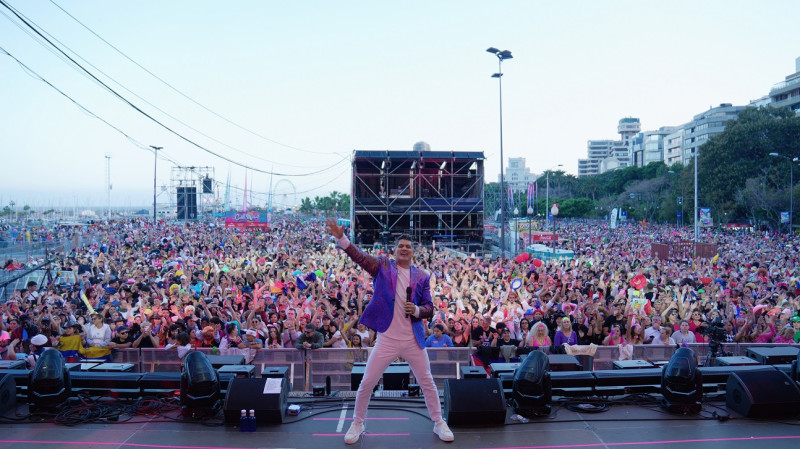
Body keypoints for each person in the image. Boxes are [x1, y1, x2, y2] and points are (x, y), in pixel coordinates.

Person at [326, 218, 454, 444]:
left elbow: (429, 308)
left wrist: (416, 309)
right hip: (387, 339)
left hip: (413, 340)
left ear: (413, 251)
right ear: (394, 251)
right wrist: (341, 237)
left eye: (408, 246)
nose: (404, 249)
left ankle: (438, 422)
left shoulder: (422, 276)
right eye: (400, 246)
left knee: (427, 381)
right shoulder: (383, 266)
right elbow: (359, 257)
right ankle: (358, 422)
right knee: (367, 382)